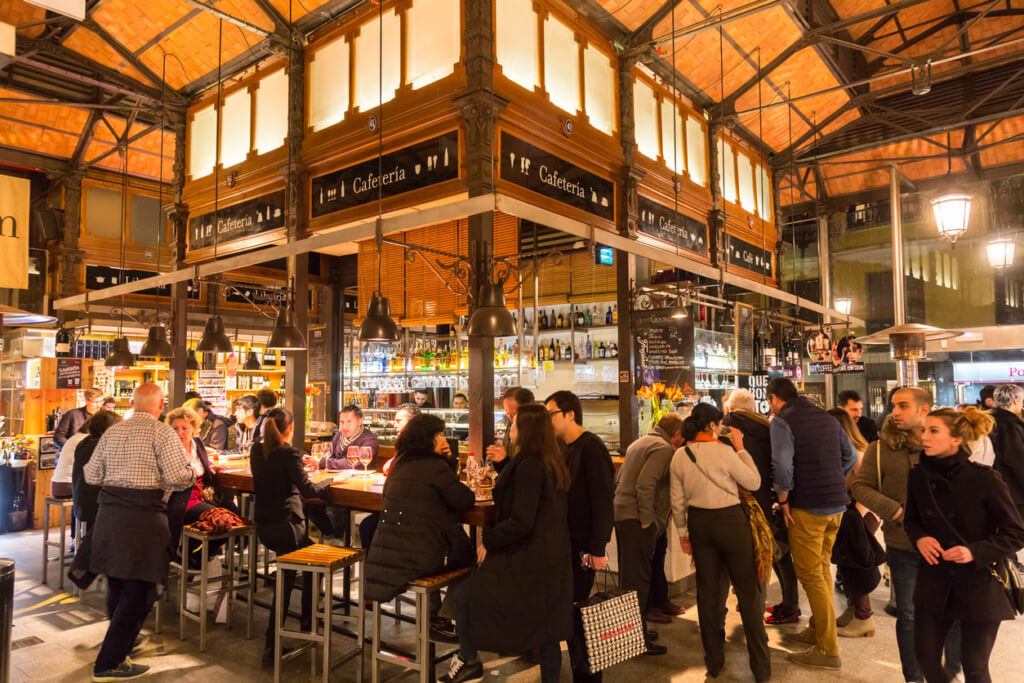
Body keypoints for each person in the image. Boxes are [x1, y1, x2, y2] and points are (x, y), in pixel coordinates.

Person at [442, 403, 573, 683]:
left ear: (525, 430)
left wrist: (488, 540)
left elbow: (521, 521)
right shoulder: (548, 459)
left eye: (512, 425)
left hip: (527, 559)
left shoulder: (531, 465)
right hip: (548, 557)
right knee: (548, 626)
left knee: (464, 597)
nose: (508, 429)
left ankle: (470, 658)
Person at [82, 384, 194, 681]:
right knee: (142, 591)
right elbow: (178, 477)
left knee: (118, 585)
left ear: (132, 403)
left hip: (109, 517)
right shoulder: (163, 433)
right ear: (160, 406)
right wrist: (190, 469)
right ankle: (108, 662)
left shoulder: (113, 431)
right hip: (142, 521)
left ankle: (121, 649)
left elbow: (91, 475)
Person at [905, 407, 1024, 683]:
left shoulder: (985, 479)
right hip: (934, 580)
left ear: (956, 439)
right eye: (924, 430)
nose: (925, 437)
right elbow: (911, 520)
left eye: (934, 431)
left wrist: (974, 551)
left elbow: (1016, 532)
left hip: (979, 583)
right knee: (926, 658)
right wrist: (920, 537)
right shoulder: (918, 477)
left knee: (975, 667)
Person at [852, 387, 962, 682]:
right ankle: (913, 677)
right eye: (893, 406)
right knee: (910, 616)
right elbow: (861, 487)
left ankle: (950, 673)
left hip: (948, 546)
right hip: (904, 544)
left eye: (903, 406)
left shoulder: (946, 446)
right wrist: (896, 511)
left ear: (924, 410)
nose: (894, 412)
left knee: (952, 613)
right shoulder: (880, 448)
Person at [671, 403, 770, 682]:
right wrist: (740, 448)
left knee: (707, 593)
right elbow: (754, 482)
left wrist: (682, 533)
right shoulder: (725, 451)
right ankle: (761, 667)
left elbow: (676, 502)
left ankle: (714, 661)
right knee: (748, 592)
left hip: (699, 525)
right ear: (712, 426)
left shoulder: (680, 455)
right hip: (730, 522)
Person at [767, 377, 857, 670]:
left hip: (808, 508)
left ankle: (828, 650)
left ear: (774, 399)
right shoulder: (827, 417)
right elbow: (850, 456)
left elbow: (781, 464)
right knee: (821, 570)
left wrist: (783, 498)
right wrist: (831, 477)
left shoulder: (782, 421)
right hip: (836, 505)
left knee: (812, 576)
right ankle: (818, 630)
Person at [363, 413, 474, 610]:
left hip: (388, 558)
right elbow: (465, 500)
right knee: (470, 558)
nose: (443, 438)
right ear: (428, 438)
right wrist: (448, 460)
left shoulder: (400, 463)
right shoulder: (435, 466)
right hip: (420, 557)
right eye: (440, 434)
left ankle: (434, 615)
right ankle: (445, 616)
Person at [249, 406, 331, 665]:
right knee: (289, 577)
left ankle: (307, 620)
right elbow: (308, 490)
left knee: (308, 555)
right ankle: (272, 648)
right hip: (287, 528)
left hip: (264, 526)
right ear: (290, 428)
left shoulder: (256, 450)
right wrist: (329, 483)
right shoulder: (288, 453)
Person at [545, 390, 614, 683]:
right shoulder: (563, 447)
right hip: (567, 545)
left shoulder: (591, 447)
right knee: (573, 616)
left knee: (582, 618)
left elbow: (602, 501)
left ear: (570, 414)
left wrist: (598, 548)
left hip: (583, 547)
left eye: (551, 414)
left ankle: (587, 677)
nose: (548, 420)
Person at [724, 389, 798, 626]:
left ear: (731, 409)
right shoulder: (769, 427)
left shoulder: (725, 428)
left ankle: (747, 606)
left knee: (742, 556)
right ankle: (790, 604)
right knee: (776, 554)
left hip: (736, 501)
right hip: (767, 500)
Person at [613, 413, 683, 652]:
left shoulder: (641, 442)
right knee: (638, 580)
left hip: (622, 514)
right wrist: (646, 519)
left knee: (631, 577)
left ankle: (634, 630)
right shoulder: (663, 448)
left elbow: (619, 477)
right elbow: (645, 484)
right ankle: (635, 639)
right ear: (676, 435)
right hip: (636, 519)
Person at [827, 407, 882, 639]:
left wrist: (856, 517)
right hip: (853, 514)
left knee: (858, 565)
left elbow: (867, 488)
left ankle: (863, 616)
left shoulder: (859, 453)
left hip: (861, 515)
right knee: (847, 564)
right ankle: (853, 611)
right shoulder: (851, 450)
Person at [164, 407, 239, 567]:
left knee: (235, 516)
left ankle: (194, 555)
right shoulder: (168, 447)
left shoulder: (197, 443)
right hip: (180, 499)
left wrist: (212, 467)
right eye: (175, 428)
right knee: (224, 520)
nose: (180, 432)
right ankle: (192, 556)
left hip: (202, 495)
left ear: (193, 427)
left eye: (185, 428)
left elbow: (204, 462)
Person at [358, 403, 421, 551]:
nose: (394, 424)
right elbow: (389, 467)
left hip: (411, 513)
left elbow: (392, 468)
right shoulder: (406, 444)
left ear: (411, 422)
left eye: (399, 421)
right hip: (401, 507)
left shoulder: (419, 446)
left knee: (368, 526)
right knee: (368, 525)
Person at [72, 410, 122, 533]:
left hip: (82, 500)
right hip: (97, 504)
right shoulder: (104, 444)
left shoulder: (85, 442)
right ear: (110, 427)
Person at [990, 384, 1024, 518]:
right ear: (1015, 402)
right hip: (1015, 493)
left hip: (998, 488)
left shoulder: (990, 422)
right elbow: (1017, 460)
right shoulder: (1010, 426)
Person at [319, 405, 380, 470]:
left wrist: (322, 462)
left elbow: (353, 464)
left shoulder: (370, 439)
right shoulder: (338, 435)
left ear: (360, 421)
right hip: (337, 477)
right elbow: (328, 456)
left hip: (361, 478)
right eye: (342, 422)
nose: (344, 426)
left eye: (349, 422)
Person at [486, 387, 535, 468]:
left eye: (513, 414)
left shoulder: (536, 435)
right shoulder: (511, 425)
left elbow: (522, 472)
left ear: (528, 410)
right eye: (507, 413)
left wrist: (503, 460)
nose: (510, 418)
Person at [53, 420, 89, 498]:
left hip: (56, 484)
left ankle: (76, 510)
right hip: (68, 486)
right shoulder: (87, 439)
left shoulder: (73, 438)